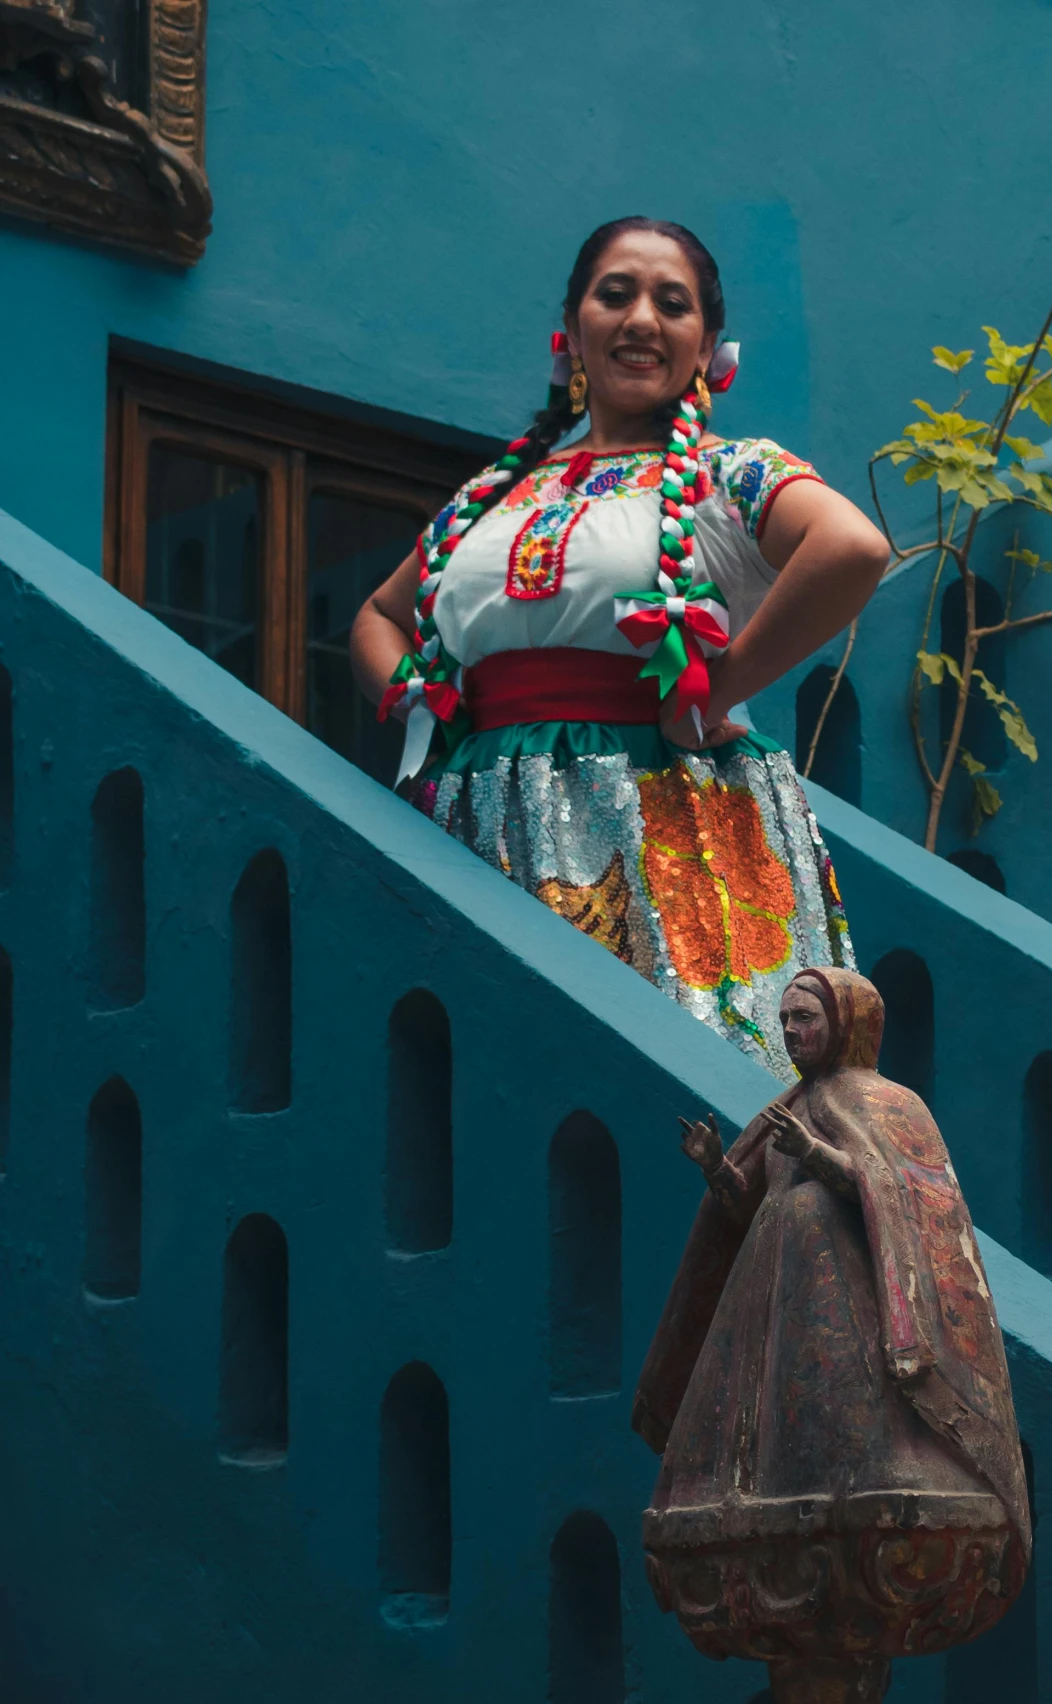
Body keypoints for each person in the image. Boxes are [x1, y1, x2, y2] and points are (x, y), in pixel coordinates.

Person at [352, 217, 888, 1079]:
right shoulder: (493, 499)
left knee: (675, 1092)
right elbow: (379, 614)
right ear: (570, 328)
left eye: (671, 304)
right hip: (477, 823)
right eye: (616, 294)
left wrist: (717, 689)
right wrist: (425, 708)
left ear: (708, 345)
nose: (642, 318)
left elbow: (853, 548)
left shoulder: (729, 472)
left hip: (660, 821)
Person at [633, 968, 1030, 1704]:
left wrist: (820, 1157)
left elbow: (905, 1194)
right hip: (773, 1315)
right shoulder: (783, 1109)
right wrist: (719, 1167)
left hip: (846, 1319)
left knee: (848, 1436)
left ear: (847, 1022)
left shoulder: (888, 1103)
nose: (792, 1033)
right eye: (784, 1020)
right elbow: (750, 1202)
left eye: (806, 1018)